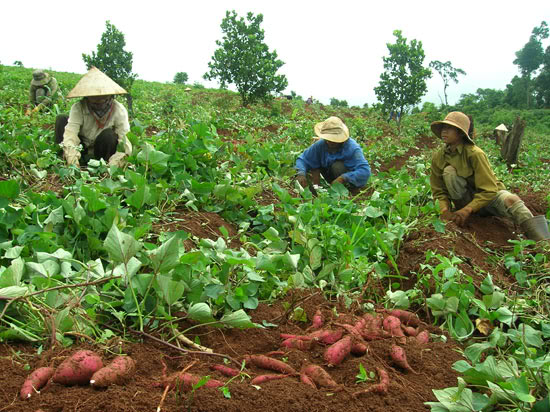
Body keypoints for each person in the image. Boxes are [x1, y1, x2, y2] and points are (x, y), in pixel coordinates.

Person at [430, 111, 549, 241]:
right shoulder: (438, 157)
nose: (444, 131)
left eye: (449, 128)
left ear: (460, 133)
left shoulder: (475, 154)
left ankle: (543, 243)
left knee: (512, 200)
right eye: (443, 128)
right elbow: (438, 191)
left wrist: (468, 210)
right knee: (449, 172)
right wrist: (444, 211)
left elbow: (490, 190)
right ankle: (465, 211)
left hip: (488, 199)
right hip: (464, 200)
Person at [55, 67, 132, 167]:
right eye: (94, 99)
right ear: (87, 97)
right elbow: (71, 134)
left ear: (110, 95)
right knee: (61, 119)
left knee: (109, 135)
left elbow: (124, 140)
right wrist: (72, 160)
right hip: (82, 147)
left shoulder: (119, 110)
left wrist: (115, 164)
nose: (99, 102)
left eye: (103, 98)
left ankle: (104, 167)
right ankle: (64, 159)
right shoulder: (79, 107)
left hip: (102, 150)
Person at [295, 116, 371, 194]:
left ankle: (346, 191)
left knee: (337, 167)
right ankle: (317, 188)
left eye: (333, 140)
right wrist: (301, 173)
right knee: (314, 165)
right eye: (328, 139)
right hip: (326, 176)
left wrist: (343, 178)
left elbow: (365, 171)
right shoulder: (321, 144)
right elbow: (303, 159)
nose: (329, 142)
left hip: (346, 181)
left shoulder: (352, 148)